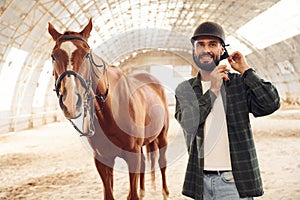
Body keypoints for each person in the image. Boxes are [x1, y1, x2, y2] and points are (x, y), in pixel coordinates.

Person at [174, 21, 280, 200]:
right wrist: (213, 90)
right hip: (200, 182)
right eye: (200, 44)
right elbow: (188, 121)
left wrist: (246, 70)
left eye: (212, 44)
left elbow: (271, 103)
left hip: (234, 182)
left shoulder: (238, 83)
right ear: (194, 50)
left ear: (222, 50)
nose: (206, 49)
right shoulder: (185, 89)